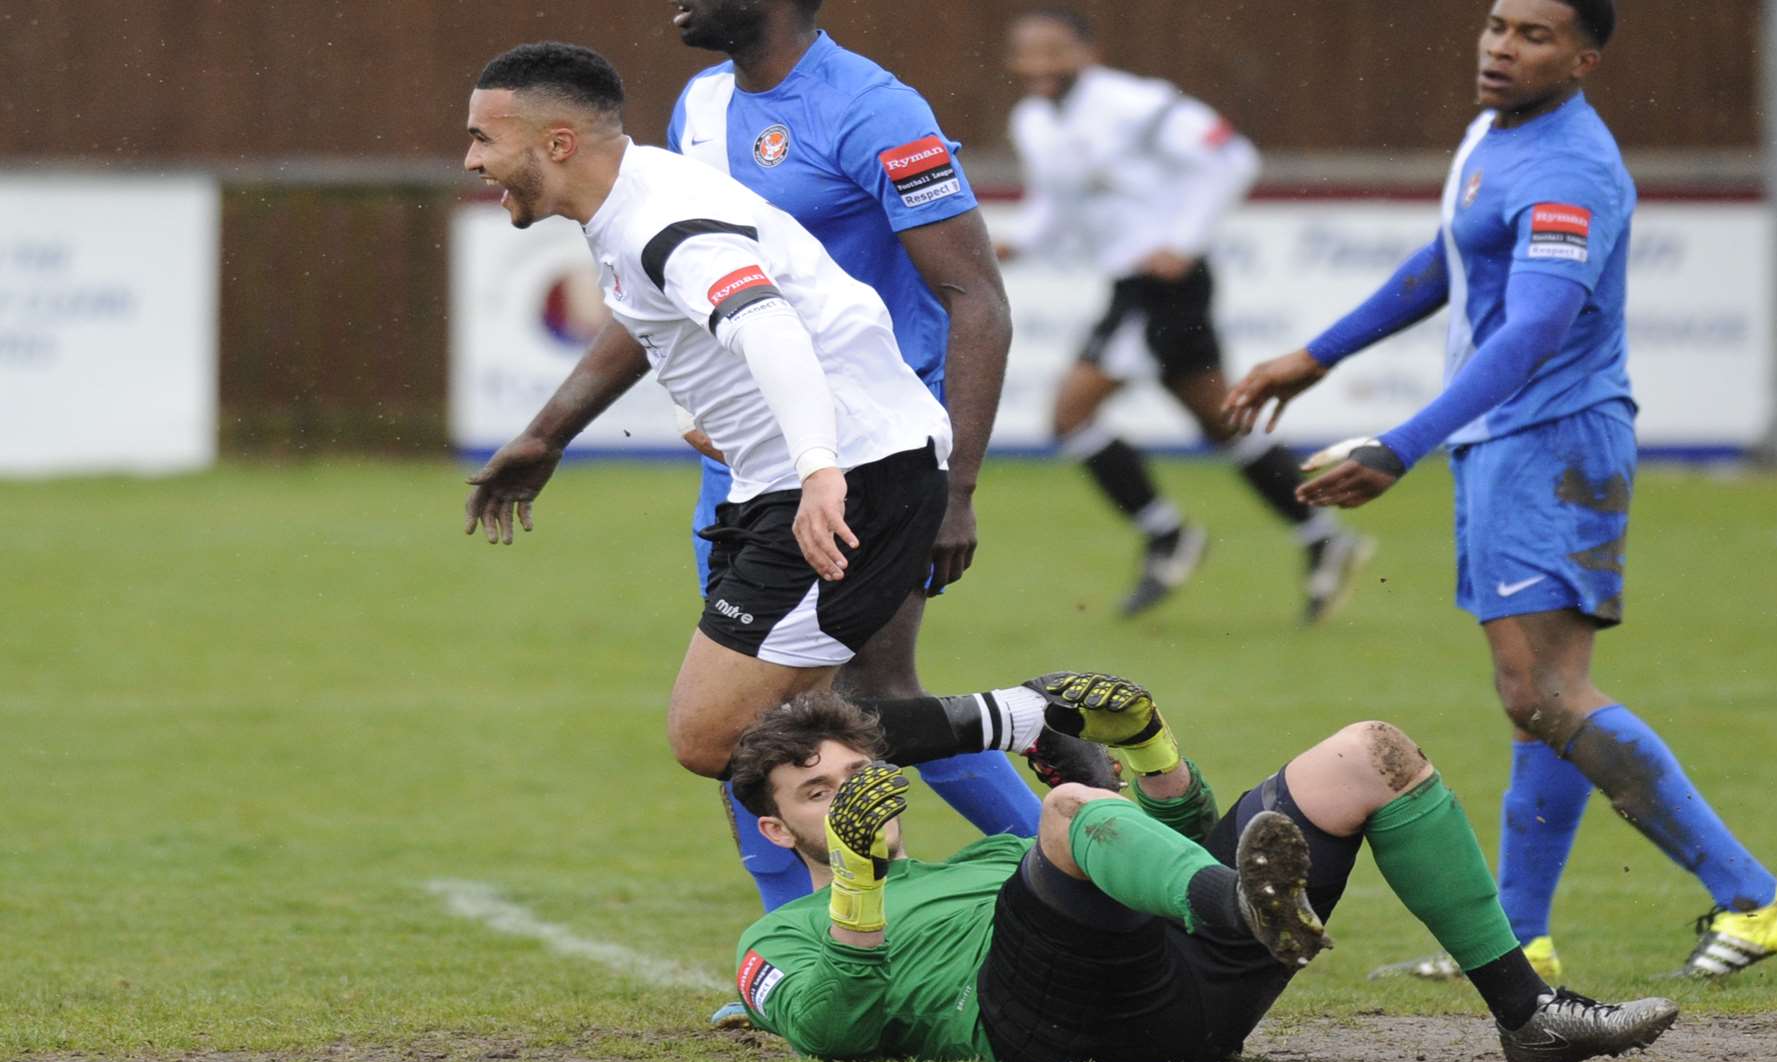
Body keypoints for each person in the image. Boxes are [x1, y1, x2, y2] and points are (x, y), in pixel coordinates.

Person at [1223, 0, 1777, 980]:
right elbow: (1448, 262)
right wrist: (1316, 356)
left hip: (1551, 443)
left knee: (1549, 690)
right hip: (1512, 443)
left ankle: (1756, 898)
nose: (1503, 45)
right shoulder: (1497, 135)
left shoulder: (1570, 169)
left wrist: (1404, 443)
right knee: (1531, 697)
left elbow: (1536, 328)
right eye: (1498, 24)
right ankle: (1523, 936)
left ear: (1584, 58)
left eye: (1534, 34)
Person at [458, 42, 1113, 863]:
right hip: (833, 470)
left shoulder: (665, 222)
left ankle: (1030, 719)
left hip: (850, 482)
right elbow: (774, 321)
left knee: (717, 739)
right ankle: (873, 923)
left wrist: (816, 469)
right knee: (804, 736)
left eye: (484, 138)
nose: (472, 159)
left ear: (556, 143)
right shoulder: (640, 196)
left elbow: (768, 326)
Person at [728, 673, 1679, 1062]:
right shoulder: (775, 941)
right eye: (817, 794)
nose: (850, 798)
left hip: (1180, 983)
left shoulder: (988, 857)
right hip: (1036, 1020)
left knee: (1369, 752)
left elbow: (1160, 844)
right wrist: (852, 879)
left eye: (859, 778)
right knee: (1070, 812)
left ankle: (1529, 1015)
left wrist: (1153, 752)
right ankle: (1244, 912)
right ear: (776, 831)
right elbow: (834, 1036)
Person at [649, 0, 1046, 920]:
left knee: (871, 697)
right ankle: (790, 937)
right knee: (748, 712)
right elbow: (690, 284)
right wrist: (563, 428)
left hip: (873, 461)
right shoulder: (699, 105)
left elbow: (976, 299)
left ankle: (1078, 883)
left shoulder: (876, 109)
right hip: (749, 467)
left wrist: (957, 489)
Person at [995, 7, 1373, 621]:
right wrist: (1015, 244)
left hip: (1166, 285)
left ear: (1086, 52)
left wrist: (1185, 240)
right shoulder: (1032, 121)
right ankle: (1322, 537)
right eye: (1027, 53)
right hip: (1132, 284)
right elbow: (1055, 205)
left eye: (1053, 51)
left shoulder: (1135, 104)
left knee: (1070, 414)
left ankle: (1167, 534)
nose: (1039, 65)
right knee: (1221, 419)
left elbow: (1233, 158)